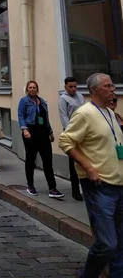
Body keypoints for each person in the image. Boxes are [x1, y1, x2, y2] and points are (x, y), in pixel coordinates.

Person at [59, 73, 123, 278]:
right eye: (108, 86)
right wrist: (89, 168)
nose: (112, 89)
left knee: (120, 243)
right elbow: (66, 141)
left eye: (113, 86)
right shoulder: (84, 113)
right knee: (107, 243)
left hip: (119, 184)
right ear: (94, 90)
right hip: (100, 186)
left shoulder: (110, 113)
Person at [18, 81, 64, 198]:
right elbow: (21, 116)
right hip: (30, 132)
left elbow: (46, 118)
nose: (32, 89)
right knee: (30, 159)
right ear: (27, 89)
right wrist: (24, 129)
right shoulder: (24, 101)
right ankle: (30, 186)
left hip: (43, 133)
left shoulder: (42, 101)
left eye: (34, 87)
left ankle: (52, 189)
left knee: (47, 161)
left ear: (37, 89)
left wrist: (50, 132)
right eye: (30, 87)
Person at [58, 76, 86, 200]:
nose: (73, 89)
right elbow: (64, 117)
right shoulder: (63, 99)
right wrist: (71, 133)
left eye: (75, 86)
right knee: (73, 162)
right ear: (65, 87)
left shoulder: (80, 96)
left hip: (83, 132)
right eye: (70, 87)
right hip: (72, 133)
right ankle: (75, 191)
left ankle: (85, 188)